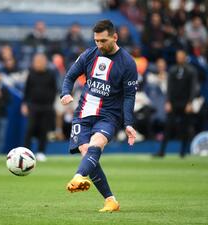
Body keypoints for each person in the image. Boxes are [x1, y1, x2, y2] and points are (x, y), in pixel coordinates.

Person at [60, 20, 137, 212]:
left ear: (115, 37)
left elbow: (129, 96)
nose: (99, 45)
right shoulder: (89, 54)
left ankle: (78, 176)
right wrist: (66, 93)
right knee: (88, 154)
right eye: (96, 41)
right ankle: (111, 201)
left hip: (108, 116)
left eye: (103, 41)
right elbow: (70, 77)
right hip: (83, 114)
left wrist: (128, 123)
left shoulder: (128, 63)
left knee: (95, 146)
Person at [153, 50, 198, 158]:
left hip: (185, 103)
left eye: (181, 56)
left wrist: (190, 102)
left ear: (185, 57)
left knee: (185, 128)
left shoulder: (191, 71)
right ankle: (162, 151)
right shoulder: (173, 70)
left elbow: (193, 88)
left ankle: (183, 152)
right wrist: (168, 101)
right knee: (168, 127)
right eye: (178, 56)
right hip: (173, 103)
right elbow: (169, 88)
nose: (179, 58)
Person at [21, 53, 57, 162]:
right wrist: (24, 104)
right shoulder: (31, 74)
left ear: (45, 62)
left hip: (46, 107)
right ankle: (26, 152)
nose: (39, 64)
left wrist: (51, 104)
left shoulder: (51, 74)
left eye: (41, 61)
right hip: (33, 106)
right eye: (37, 62)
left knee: (43, 130)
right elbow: (26, 91)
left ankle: (41, 152)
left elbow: (54, 90)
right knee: (30, 129)